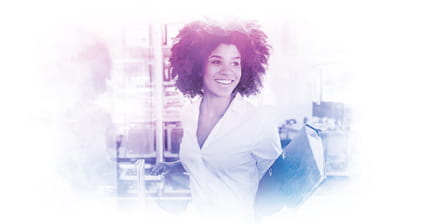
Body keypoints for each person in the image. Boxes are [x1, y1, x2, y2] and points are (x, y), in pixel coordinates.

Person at [151, 19, 282, 221]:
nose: (227, 71)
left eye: (235, 63)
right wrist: (175, 165)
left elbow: (278, 183)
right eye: (216, 61)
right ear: (198, 66)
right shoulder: (189, 113)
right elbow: (205, 157)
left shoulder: (258, 121)